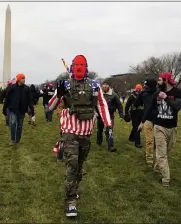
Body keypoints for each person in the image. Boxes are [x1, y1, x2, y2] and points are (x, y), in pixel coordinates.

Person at [48, 55, 112, 217]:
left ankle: (73, 189)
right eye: (76, 65)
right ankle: (70, 202)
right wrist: (59, 94)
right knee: (72, 164)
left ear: (86, 66)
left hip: (86, 134)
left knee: (80, 166)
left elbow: (101, 105)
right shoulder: (66, 84)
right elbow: (50, 106)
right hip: (70, 133)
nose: (79, 67)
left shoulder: (94, 85)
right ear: (72, 66)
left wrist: (108, 125)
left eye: (82, 65)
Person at [139, 72, 181, 187]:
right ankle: (165, 180)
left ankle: (157, 168)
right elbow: (149, 109)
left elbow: (177, 106)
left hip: (172, 128)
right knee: (161, 154)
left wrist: (166, 98)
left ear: (166, 80)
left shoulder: (178, 93)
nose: (158, 82)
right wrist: (142, 122)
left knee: (165, 153)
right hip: (159, 127)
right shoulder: (156, 94)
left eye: (160, 80)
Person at [2, 73, 34, 146]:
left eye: (24, 78)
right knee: (13, 124)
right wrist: (4, 109)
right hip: (13, 109)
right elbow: (7, 99)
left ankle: (17, 140)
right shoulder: (12, 87)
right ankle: (12, 140)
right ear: (19, 79)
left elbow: (30, 100)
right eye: (22, 78)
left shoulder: (27, 88)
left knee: (19, 126)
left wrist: (32, 110)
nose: (24, 79)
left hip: (22, 110)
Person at [134, 79, 157, 167]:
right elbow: (136, 104)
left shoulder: (159, 94)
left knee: (157, 141)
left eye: (146, 85)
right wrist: (139, 95)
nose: (144, 86)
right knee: (149, 140)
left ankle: (159, 157)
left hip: (159, 120)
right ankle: (149, 160)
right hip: (147, 119)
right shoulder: (143, 94)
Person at [96, 81, 124, 152]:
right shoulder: (98, 94)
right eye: (103, 85)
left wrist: (121, 115)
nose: (105, 86)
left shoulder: (114, 95)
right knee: (100, 130)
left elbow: (119, 105)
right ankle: (99, 142)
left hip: (110, 116)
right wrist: (95, 112)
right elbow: (94, 104)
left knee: (109, 131)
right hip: (100, 116)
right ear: (101, 86)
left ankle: (110, 146)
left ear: (109, 86)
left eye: (106, 85)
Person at [124, 84, 144, 148]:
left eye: (140, 89)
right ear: (135, 89)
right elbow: (127, 106)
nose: (138, 90)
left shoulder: (143, 96)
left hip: (141, 113)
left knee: (138, 127)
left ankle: (131, 138)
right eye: (137, 89)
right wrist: (126, 114)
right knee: (136, 127)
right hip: (134, 113)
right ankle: (137, 143)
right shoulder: (132, 97)